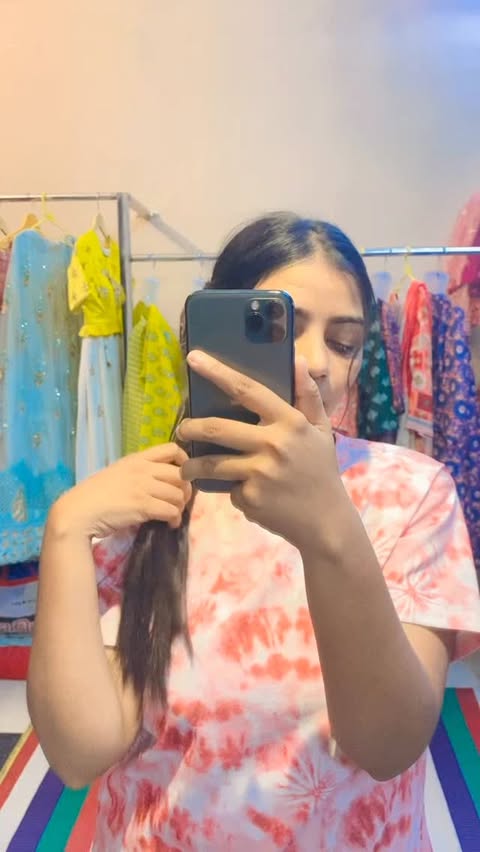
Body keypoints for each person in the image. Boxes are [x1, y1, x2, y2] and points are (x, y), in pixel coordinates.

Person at [28, 214, 480, 851]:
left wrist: (329, 527)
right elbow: (81, 754)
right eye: (280, 330)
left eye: (343, 343)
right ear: (205, 337)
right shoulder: (151, 499)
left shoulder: (410, 493)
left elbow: (385, 745)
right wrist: (64, 532)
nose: (317, 363)